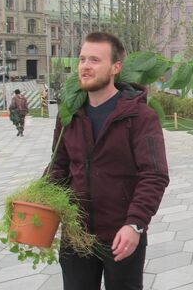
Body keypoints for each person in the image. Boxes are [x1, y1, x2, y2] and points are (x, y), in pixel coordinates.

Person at [49, 32, 170, 290]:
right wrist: (38, 205)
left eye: (94, 60)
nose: (85, 66)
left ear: (116, 67)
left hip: (121, 234)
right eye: (82, 59)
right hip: (76, 235)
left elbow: (154, 174)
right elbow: (59, 167)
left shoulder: (139, 117)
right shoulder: (69, 114)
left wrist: (135, 224)